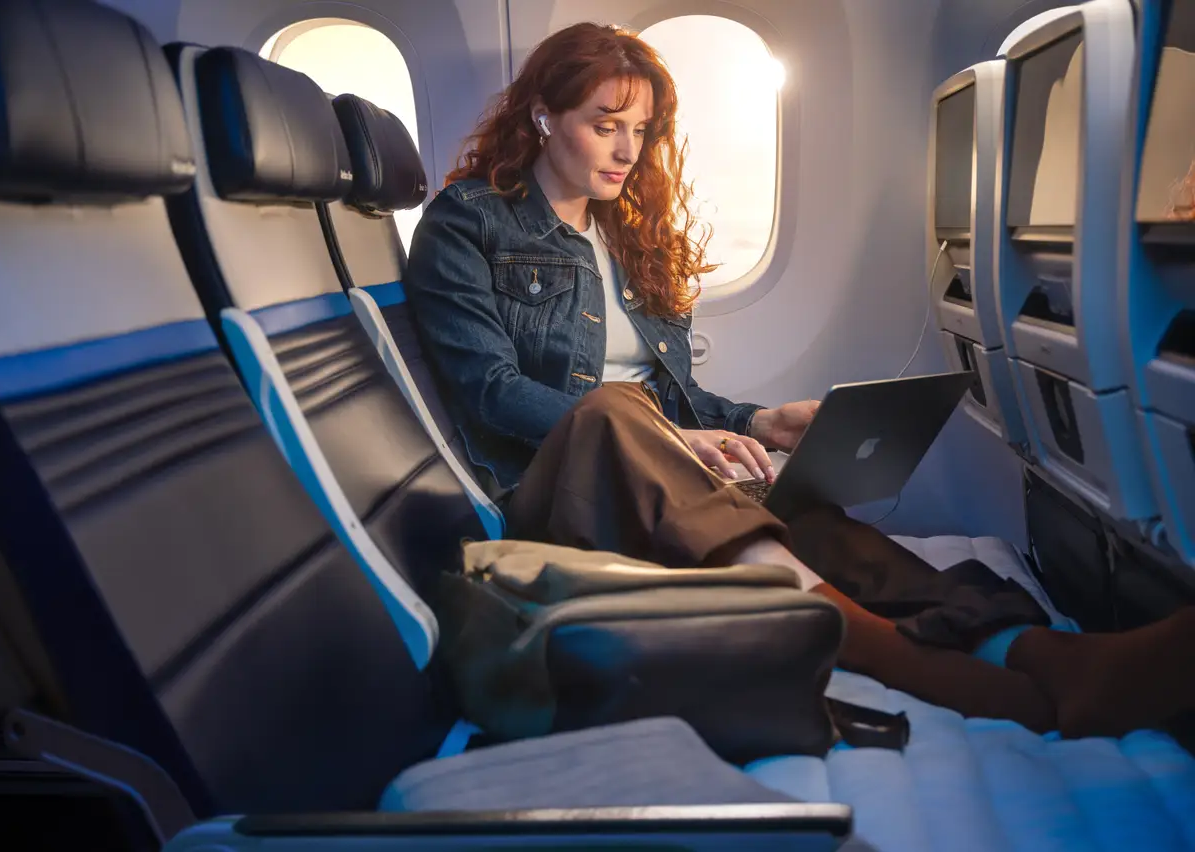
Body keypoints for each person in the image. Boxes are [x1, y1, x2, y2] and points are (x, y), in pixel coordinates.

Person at [403, 21, 1195, 739]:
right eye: (605, 125)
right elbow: (493, 392)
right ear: (543, 115)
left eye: (640, 131)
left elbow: (674, 396)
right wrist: (667, 435)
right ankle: (888, 654)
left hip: (645, 464)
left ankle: (1040, 653)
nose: (626, 151)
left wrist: (755, 424)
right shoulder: (467, 223)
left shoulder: (623, 233)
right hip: (549, 497)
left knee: (796, 503)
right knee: (618, 408)